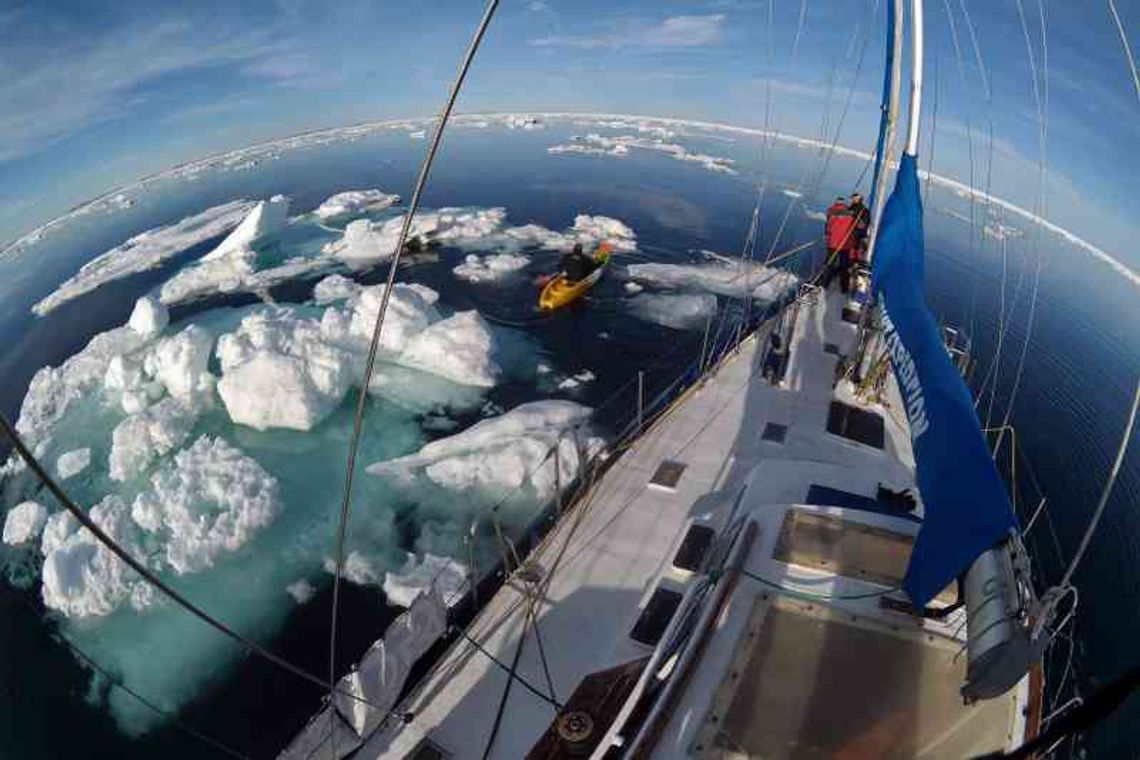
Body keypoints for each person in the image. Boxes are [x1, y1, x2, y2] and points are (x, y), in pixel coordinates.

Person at [823, 196, 855, 292]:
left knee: (829, 264)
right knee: (844, 266)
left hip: (833, 244)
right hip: (845, 245)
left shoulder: (831, 213)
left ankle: (825, 284)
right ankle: (844, 288)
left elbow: (829, 229)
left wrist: (827, 235)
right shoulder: (851, 216)